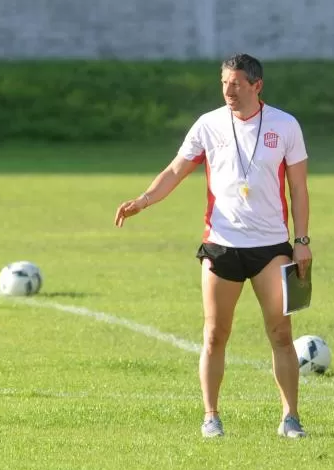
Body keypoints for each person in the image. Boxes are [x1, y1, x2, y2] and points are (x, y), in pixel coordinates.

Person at [114, 53, 313, 439]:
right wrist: (143, 200)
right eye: (224, 83)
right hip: (221, 245)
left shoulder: (285, 125)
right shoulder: (208, 124)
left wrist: (301, 241)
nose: (228, 91)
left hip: (271, 247)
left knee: (281, 334)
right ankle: (211, 416)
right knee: (214, 334)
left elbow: (299, 188)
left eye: (236, 84)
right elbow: (176, 169)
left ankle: (290, 417)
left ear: (257, 86)